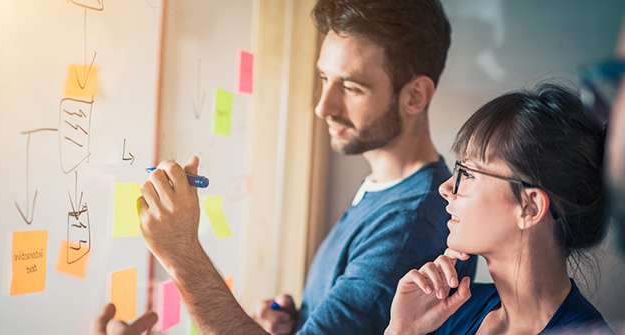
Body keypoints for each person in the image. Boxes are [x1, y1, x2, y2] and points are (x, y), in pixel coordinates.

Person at [91, 0, 477, 334]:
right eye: (324, 78)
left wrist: (181, 254)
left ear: (415, 96)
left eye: (351, 87)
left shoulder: (412, 224)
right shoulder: (388, 189)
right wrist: (302, 321)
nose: (323, 106)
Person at [384, 83, 612, 335]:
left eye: (468, 173)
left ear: (529, 207)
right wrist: (401, 330)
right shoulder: (451, 309)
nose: (446, 187)